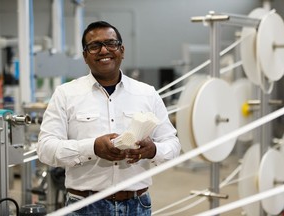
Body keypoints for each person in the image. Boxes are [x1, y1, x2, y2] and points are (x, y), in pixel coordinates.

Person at [37, 21, 181, 216]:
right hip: (83, 207)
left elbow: (173, 144)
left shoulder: (147, 94)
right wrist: (93, 147)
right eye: (94, 46)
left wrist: (153, 150)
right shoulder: (66, 94)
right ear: (85, 56)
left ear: (121, 50)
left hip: (137, 206)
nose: (104, 50)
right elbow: (45, 148)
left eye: (111, 44)